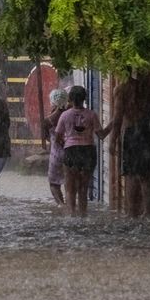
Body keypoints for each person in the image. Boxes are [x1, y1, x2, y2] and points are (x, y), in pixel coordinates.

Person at [109, 72, 150, 218]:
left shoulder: (121, 89)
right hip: (147, 131)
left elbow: (118, 117)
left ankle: (132, 212)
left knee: (131, 174)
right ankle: (149, 211)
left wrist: (112, 140)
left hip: (132, 133)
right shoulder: (146, 88)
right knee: (145, 174)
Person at [55, 85, 111, 217]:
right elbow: (101, 135)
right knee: (83, 187)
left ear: (70, 99)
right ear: (84, 98)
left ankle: (71, 215)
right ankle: (83, 216)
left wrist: (67, 143)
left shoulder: (64, 115)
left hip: (71, 151)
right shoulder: (91, 115)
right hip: (88, 151)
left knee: (70, 189)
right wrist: (113, 123)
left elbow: (57, 137)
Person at [42, 88, 69, 205]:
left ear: (52, 102)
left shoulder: (48, 120)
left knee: (54, 183)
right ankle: (71, 206)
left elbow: (46, 137)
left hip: (56, 154)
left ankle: (61, 205)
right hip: (72, 152)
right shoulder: (71, 115)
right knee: (70, 182)